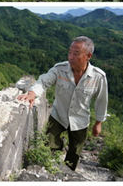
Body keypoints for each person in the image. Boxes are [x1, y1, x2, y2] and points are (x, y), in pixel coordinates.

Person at [17, 36, 108, 171]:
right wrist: (32, 93)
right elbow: (44, 81)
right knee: (49, 146)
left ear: (88, 56)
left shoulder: (98, 77)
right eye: (69, 52)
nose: (70, 57)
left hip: (80, 120)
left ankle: (67, 175)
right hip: (58, 116)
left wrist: (98, 122)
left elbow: (102, 100)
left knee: (74, 153)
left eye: (76, 53)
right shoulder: (60, 69)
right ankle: (46, 171)